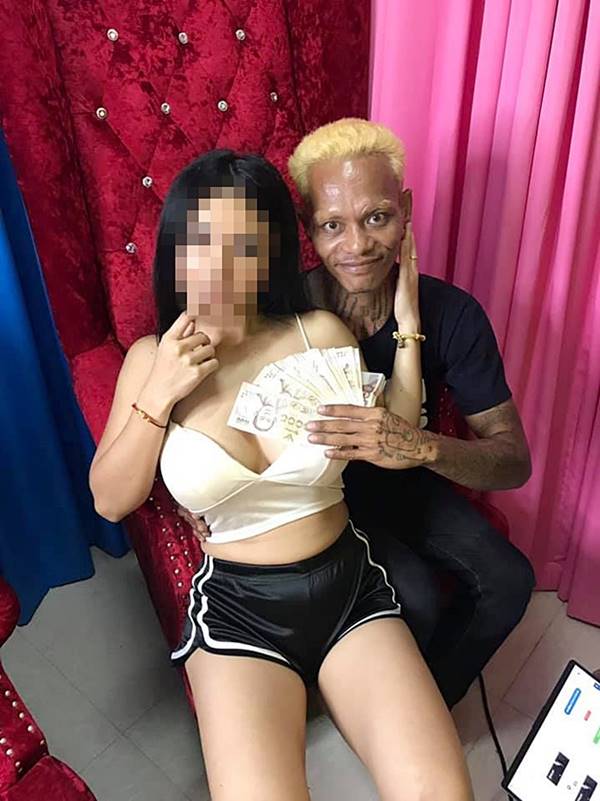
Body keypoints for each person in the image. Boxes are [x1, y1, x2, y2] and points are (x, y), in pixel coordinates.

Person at [89, 151, 474, 801]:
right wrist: (159, 395)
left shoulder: (318, 333)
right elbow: (109, 499)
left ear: (270, 255)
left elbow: (393, 437)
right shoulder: (151, 359)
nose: (218, 267)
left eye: (244, 246)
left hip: (347, 588)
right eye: (201, 241)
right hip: (238, 611)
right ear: (175, 248)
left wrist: (408, 327)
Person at [182, 119, 536, 708]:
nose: (358, 245)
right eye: (332, 225)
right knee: (415, 596)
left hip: (407, 480)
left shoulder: (453, 314)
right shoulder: (283, 312)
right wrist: (199, 496)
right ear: (307, 229)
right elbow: (209, 407)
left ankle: (430, 704)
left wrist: (421, 445)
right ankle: (381, 707)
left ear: (406, 210)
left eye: (377, 217)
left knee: (510, 580)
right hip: (317, 498)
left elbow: (513, 460)